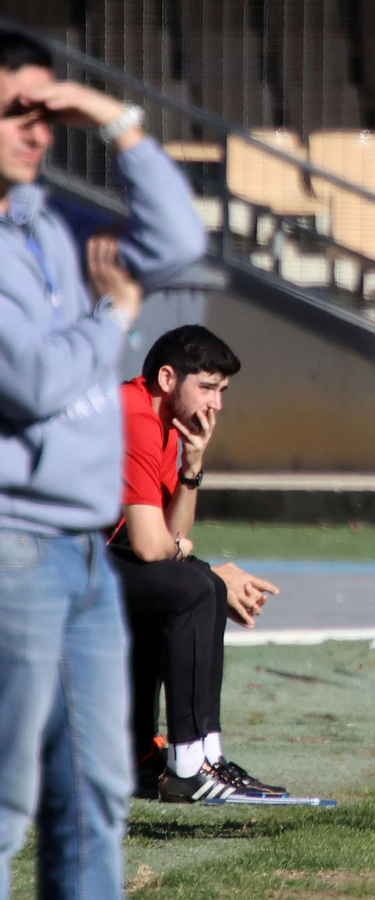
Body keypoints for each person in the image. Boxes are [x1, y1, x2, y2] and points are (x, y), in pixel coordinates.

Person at [0, 30, 205, 900]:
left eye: (47, 113)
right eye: (16, 110)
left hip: (81, 551)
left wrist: (119, 123)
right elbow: (34, 382)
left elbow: (180, 241)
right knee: (9, 795)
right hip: (15, 547)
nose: (38, 131)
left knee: (94, 796)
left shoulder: (47, 220)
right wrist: (114, 316)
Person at [109, 324, 285, 803]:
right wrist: (199, 566)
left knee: (194, 585)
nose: (217, 404)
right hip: (35, 561)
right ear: (168, 378)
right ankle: (188, 765)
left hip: (79, 558)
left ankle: (184, 758)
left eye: (223, 391)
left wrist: (192, 466)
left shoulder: (168, 427)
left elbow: (173, 536)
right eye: (206, 387)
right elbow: (153, 547)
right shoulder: (133, 414)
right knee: (192, 588)